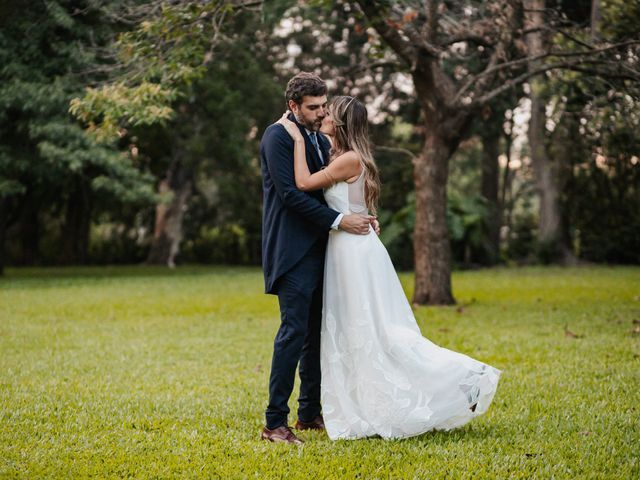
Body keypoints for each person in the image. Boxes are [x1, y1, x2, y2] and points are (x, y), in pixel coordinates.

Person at [276, 95, 501, 440]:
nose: (322, 116)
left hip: (352, 252)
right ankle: (361, 404)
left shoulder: (347, 159)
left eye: (328, 113)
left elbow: (304, 184)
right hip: (348, 248)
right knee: (359, 329)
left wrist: (293, 139)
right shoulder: (343, 156)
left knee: (376, 330)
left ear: (340, 123)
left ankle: (462, 378)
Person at [259, 73, 378, 445]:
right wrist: (343, 220)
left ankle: (310, 414)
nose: (320, 112)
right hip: (292, 251)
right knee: (293, 333)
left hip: (321, 250)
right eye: (313, 107)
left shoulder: (315, 135)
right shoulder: (277, 136)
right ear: (293, 106)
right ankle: (274, 423)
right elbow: (292, 195)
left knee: (315, 335)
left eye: (323, 105)